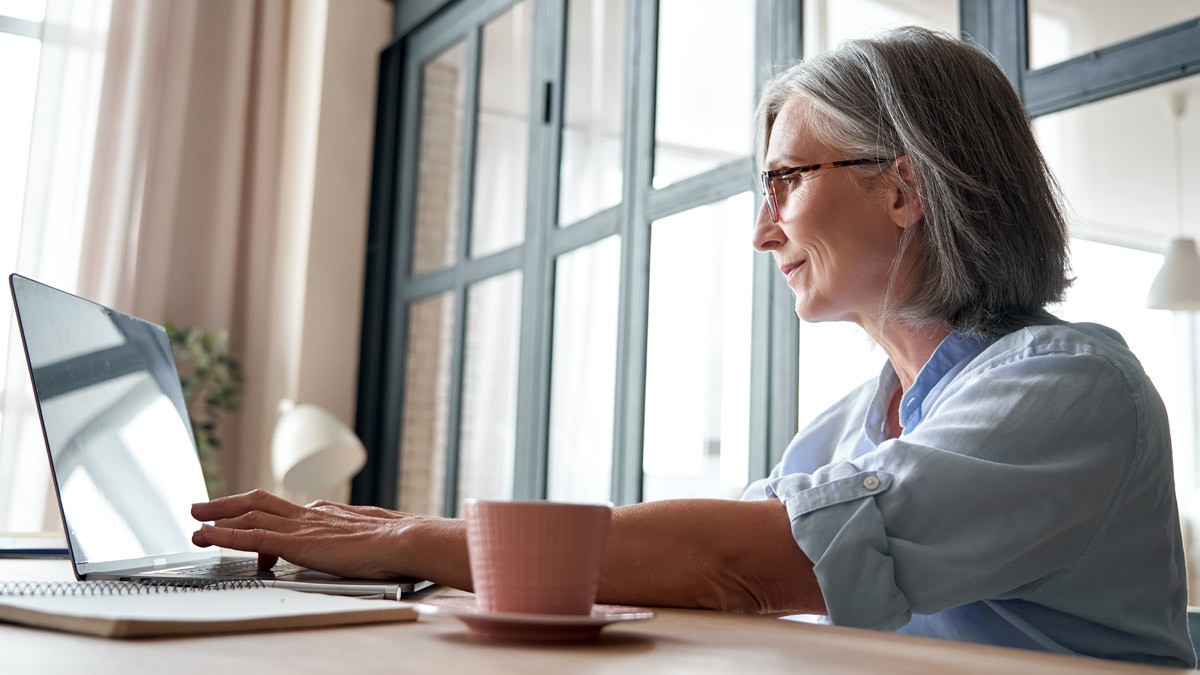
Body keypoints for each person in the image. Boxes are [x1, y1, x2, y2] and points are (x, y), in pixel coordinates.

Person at [191, 26, 1194, 667]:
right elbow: (702, 561)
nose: (764, 233)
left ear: (904, 188)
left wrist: (412, 541)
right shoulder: (850, 426)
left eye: (785, 182)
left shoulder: (1074, 388)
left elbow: (752, 563)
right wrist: (404, 550)